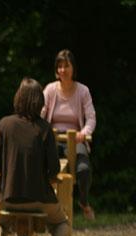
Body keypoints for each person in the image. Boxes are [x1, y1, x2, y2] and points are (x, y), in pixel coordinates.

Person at [0, 77, 69, 236]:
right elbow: (54, 169)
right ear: (40, 102)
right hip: (40, 200)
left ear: (18, 98)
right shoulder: (45, 129)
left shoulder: (4, 124)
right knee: (62, 223)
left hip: (9, 198)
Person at [42, 49, 96, 220]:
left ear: (73, 68)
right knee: (42, 167)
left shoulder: (83, 91)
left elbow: (91, 118)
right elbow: (41, 114)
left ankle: (83, 201)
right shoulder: (50, 90)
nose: (63, 70)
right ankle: (44, 204)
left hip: (75, 138)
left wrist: (84, 133)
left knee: (84, 170)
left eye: (66, 66)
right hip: (53, 139)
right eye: (60, 66)